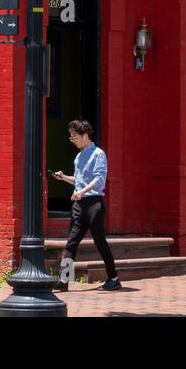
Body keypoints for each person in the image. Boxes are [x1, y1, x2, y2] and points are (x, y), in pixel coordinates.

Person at [51, 119, 121, 291]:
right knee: (71, 243)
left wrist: (81, 192)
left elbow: (98, 180)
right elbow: (80, 180)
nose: (72, 140)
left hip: (94, 204)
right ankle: (65, 280)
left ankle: (114, 277)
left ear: (84, 135)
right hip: (79, 205)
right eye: (71, 137)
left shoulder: (98, 154)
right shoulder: (79, 156)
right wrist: (64, 177)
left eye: (74, 136)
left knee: (100, 242)